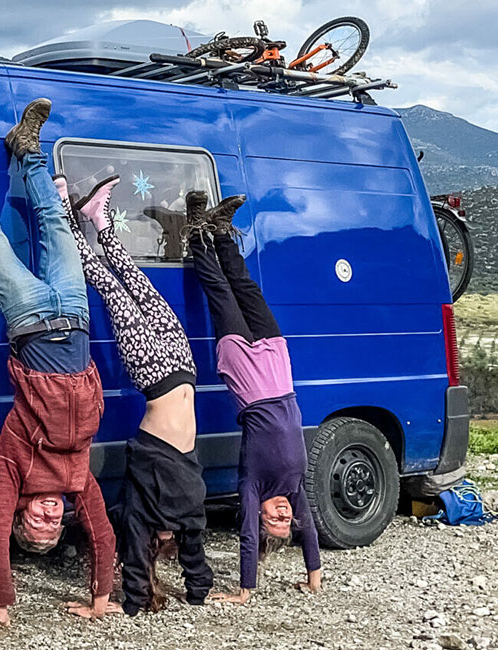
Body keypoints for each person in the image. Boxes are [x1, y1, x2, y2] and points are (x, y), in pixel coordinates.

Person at [0, 86, 116, 628]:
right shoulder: (78, 478)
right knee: (56, 224)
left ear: (24, 517)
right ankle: (28, 150)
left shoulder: (11, 465)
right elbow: (102, 535)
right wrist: (101, 598)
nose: (50, 517)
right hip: (74, 313)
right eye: (55, 526)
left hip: (29, 317)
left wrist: (1, 610)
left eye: (39, 523)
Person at [55, 176, 210, 615]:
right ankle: (97, 219)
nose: (163, 544)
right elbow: (198, 567)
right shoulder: (189, 523)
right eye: (165, 546)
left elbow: (136, 572)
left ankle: (69, 216)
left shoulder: (140, 515)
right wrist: (200, 593)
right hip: (183, 366)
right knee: (137, 283)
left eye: (157, 548)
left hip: (154, 375)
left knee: (110, 288)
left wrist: (133, 602)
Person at [181, 190, 323, 603]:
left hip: (249, 380)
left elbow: (245, 535)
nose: (282, 514)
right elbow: (311, 534)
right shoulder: (294, 487)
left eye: (274, 521)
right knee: (247, 290)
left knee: (221, 294)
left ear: (261, 516)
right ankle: (222, 232)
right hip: (279, 373)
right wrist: (313, 577)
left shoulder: (253, 486)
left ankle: (196, 232)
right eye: (287, 520)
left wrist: (245, 590)